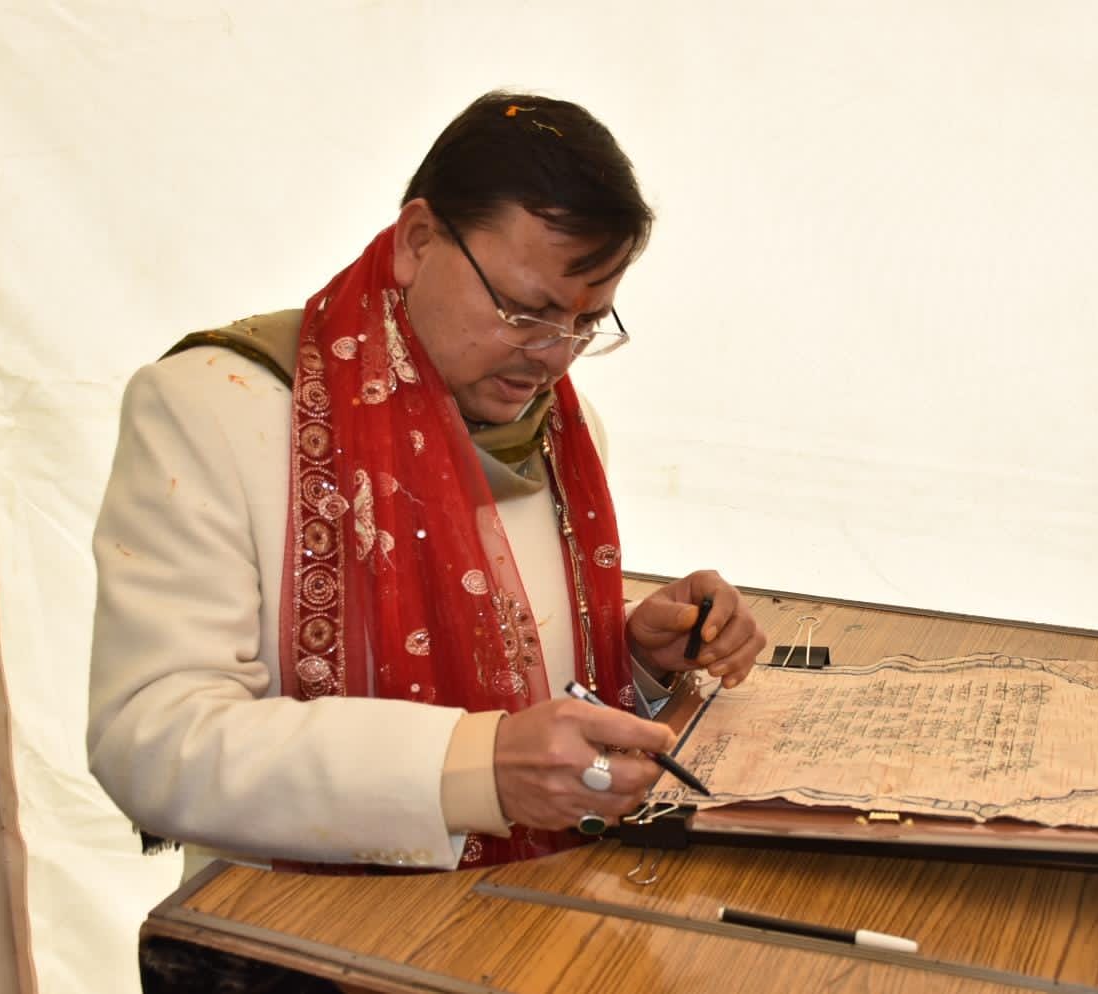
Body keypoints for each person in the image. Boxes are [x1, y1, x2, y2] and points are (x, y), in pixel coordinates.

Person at [87, 91, 767, 878]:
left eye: (586, 325)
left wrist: (634, 658)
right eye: (527, 311)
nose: (554, 357)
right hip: (290, 924)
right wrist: (473, 767)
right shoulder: (217, 407)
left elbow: (520, 675)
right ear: (417, 241)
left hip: (527, 907)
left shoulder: (564, 429)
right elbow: (151, 742)